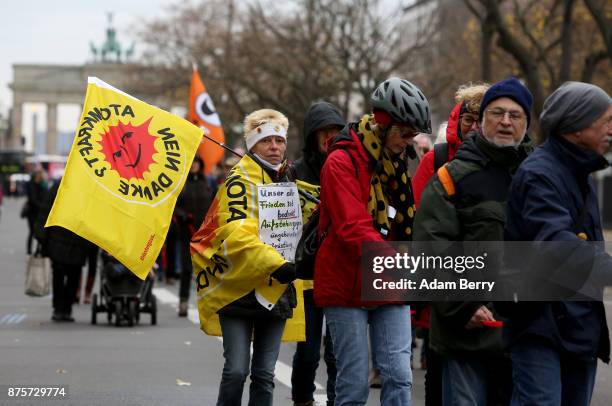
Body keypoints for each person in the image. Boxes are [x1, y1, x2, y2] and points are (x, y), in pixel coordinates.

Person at [413, 77, 533, 406]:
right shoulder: (451, 177)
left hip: (526, 339)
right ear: (480, 122)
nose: (506, 121)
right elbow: (430, 249)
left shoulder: (538, 178)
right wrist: (462, 305)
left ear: (527, 123)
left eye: (515, 115)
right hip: (467, 336)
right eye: (497, 113)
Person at [315, 77, 431, 405]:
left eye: (414, 135)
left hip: (388, 281)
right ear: (382, 123)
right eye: (405, 133)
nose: (409, 142)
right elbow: (353, 227)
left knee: (398, 375)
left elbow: (405, 221)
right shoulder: (340, 161)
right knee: (353, 386)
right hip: (346, 283)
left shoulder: (396, 162)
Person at [504, 82, 611, 406]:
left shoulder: (583, 173)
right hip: (541, 326)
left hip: (579, 326)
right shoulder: (540, 173)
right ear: (576, 127)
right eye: (605, 121)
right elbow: (555, 245)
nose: (611, 129)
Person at [190, 109, 303, 406]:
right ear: (253, 145)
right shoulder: (238, 180)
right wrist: (277, 264)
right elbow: (236, 233)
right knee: (237, 370)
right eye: (268, 141)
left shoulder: (290, 178)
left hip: (275, 290)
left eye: (280, 140)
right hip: (237, 288)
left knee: (265, 375)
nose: (276, 147)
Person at [289, 101, 345, 406]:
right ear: (312, 135)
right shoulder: (294, 172)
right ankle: (303, 400)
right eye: (324, 131)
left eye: (336, 130)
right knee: (308, 352)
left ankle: (338, 400)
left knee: (337, 353)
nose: (330, 137)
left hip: (338, 275)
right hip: (305, 277)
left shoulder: (348, 168)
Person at [412, 83, 489, 207]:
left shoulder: (503, 161)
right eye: (468, 120)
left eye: (480, 120)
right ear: (458, 123)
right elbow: (414, 210)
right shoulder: (434, 160)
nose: (474, 128)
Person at [38, 179, 90, 322]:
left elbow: (45, 210)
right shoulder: (87, 188)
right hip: (76, 240)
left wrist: (42, 236)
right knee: (72, 276)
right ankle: (66, 309)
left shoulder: (59, 185)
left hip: (59, 239)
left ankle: (59, 308)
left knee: (59, 276)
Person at [174, 155, 214, 316]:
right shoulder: (182, 183)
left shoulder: (208, 182)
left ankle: (209, 304)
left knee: (207, 269)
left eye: (197, 162)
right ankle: (183, 301)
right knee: (185, 268)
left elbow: (214, 204)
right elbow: (175, 206)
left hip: (205, 234)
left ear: (201, 164)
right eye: (192, 163)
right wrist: (183, 215)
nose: (194, 165)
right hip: (187, 232)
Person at [24, 169, 48, 254]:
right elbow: (32, 199)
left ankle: (38, 250)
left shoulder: (43, 185)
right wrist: (42, 206)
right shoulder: (31, 185)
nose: (40, 176)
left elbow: (46, 197)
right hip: (32, 212)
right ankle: (29, 251)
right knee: (32, 231)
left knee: (39, 232)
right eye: (39, 174)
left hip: (40, 213)